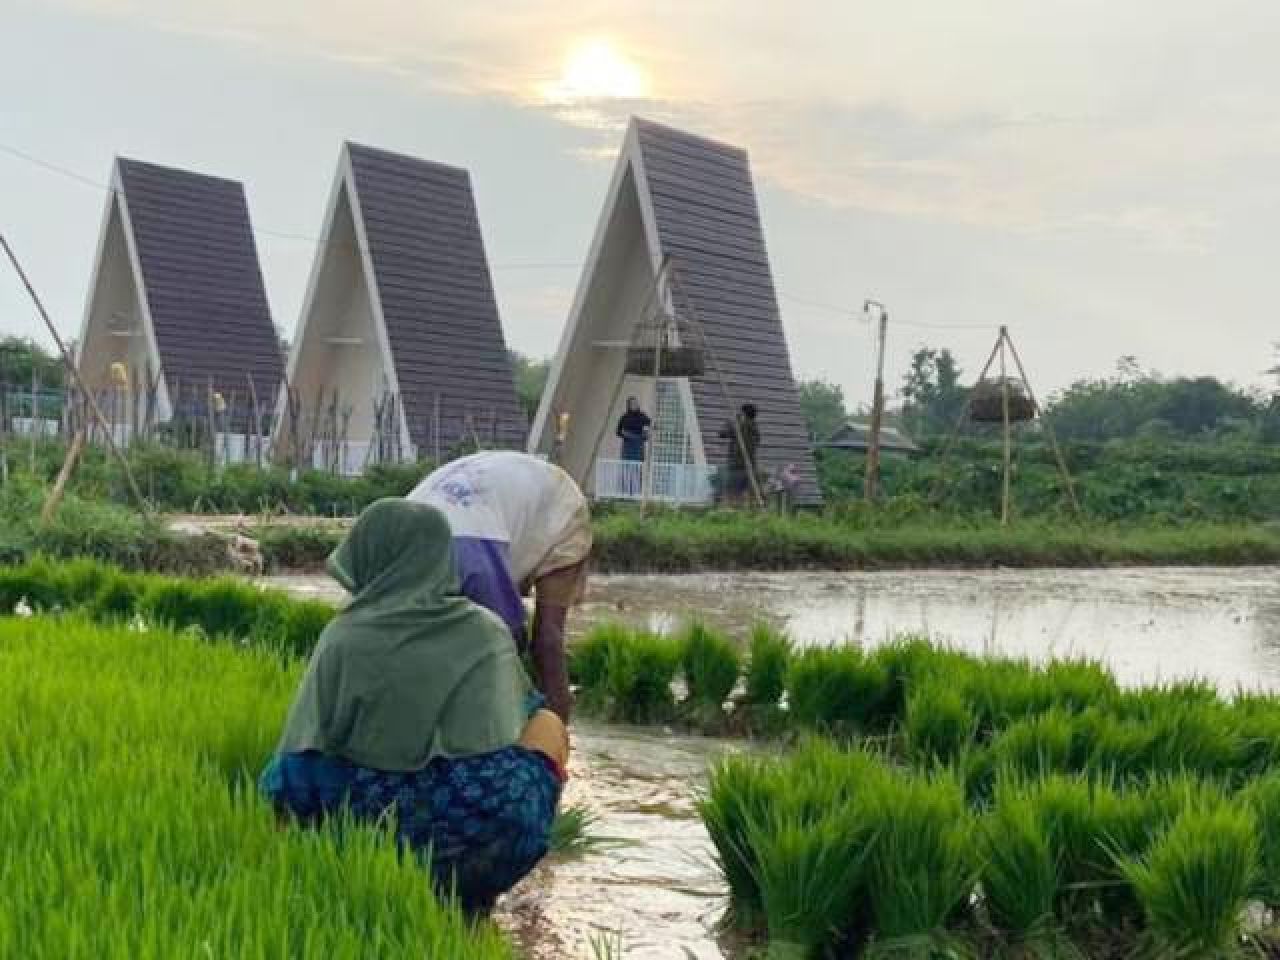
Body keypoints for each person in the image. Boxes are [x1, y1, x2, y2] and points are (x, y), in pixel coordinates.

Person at [259, 499, 568, 912]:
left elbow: (304, 743)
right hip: (482, 824)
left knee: (293, 768)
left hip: (370, 824)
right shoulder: (487, 630)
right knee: (548, 722)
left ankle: (295, 880)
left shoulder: (345, 635)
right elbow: (519, 714)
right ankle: (474, 903)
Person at [408, 451, 591, 721]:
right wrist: (558, 720)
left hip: (406, 523)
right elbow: (547, 640)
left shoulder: (534, 489)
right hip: (477, 539)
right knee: (502, 649)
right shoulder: (572, 523)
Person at [719, 403, 762, 505]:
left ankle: (732, 514)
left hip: (737, 466)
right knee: (748, 497)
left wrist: (731, 421)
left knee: (732, 495)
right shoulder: (756, 429)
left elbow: (722, 433)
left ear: (744, 414)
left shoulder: (739, 427)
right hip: (751, 467)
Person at [615, 397, 651, 496]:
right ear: (629, 405)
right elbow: (618, 431)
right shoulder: (625, 417)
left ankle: (637, 492)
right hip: (628, 445)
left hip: (639, 444)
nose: (634, 405)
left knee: (638, 468)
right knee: (626, 468)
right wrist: (626, 434)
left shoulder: (643, 416)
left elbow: (649, 425)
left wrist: (646, 433)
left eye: (636, 403)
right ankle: (625, 492)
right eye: (632, 404)